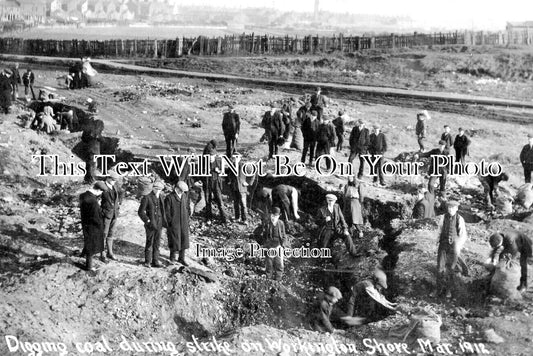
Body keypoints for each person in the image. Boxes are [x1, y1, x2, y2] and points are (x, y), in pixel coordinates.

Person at [433, 201, 467, 298]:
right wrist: (437, 240)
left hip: (454, 246)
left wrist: (458, 247)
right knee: (440, 266)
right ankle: (438, 289)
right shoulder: (443, 217)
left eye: (453, 208)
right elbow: (439, 230)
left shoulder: (460, 219)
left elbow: (462, 235)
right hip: (443, 245)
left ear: (456, 209)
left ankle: (448, 290)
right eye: (449, 208)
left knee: (451, 268)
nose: (450, 210)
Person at [138, 181, 166, 268]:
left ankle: (155, 261)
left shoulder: (161, 197)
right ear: (153, 188)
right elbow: (141, 212)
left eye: (160, 190)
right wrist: (147, 221)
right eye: (157, 189)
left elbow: (162, 210)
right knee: (150, 242)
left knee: (157, 243)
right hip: (150, 224)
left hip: (159, 223)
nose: (158, 191)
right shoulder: (147, 198)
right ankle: (147, 261)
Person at [79, 182, 106, 271]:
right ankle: (89, 266)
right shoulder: (93, 202)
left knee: (88, 242)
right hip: (93, 226)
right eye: (101, 192)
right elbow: (95, 216)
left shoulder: (83, 195)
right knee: (92, 245)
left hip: (85, 223)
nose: (101, 194)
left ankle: (85, 257)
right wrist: (100, 224)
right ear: (98, 190)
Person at [165, 181, 191, 266]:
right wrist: (170, 222)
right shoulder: (169, 197)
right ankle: (172, 258)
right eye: (181, 190)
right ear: (176, 188)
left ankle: (181, 258)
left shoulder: (184, 196)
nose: (182, 192)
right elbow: (167, 212)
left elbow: (187, 208)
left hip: (183, 222)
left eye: (183, 191)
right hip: (174, 223)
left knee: (183, 240)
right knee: (174, 240)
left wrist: (187, 219)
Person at [101, 171, 122, 262]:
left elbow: (120, 194)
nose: (114, 181)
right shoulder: (101, 187)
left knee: (111, 234)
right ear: (108, 178)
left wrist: (118, 205)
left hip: (114, 214)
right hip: (106, 215)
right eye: (113, 180)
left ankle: (110, 252)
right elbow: (96, 200)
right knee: (103, 234)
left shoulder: (115, 186)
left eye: (115, 180)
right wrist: (101, 211)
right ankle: (102, 254)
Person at [262, 207, 287, 281]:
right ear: (270, 215)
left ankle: (278, 280)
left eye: (276, 216)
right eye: (272, 215)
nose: (274, 217)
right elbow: (262, 235)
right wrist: (264, 244)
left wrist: (283, 245)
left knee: (279, 264)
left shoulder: (281, 223)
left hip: (278, 245)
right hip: (269, 246)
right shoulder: (267, 223)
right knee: (269, 264)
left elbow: (284, 235)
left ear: (279, 216)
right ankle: (268, 279)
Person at [205, 154, 228, 223]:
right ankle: (209, 218)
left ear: (214, 157)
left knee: (219, 200)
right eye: (209, 157)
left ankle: (224, 218)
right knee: (207, 201)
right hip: (207, 184)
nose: (210, 159)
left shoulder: (218, 162)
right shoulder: (205, 164)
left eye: (211, 157)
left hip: (216, 184)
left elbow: (223, 172)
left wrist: (218, 171)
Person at [82, 120, 103, 184]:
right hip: (94, 152)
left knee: (88, 165)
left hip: (88, 150)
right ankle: (90, 181)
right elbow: (102, 140)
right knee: (93, 166)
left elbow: (83, 139)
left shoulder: (89, 132)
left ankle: (87, 179)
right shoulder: (98, 134)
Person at [229, 153, 249, 224]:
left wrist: (248, 182)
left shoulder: (243, 165)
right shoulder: (232, 166)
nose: (235, 159)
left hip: (242, 188)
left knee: (243, 204)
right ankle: (237, 217)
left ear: (240, 158)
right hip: (235, 188)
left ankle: (245, 219)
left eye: (237, 157)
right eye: (234, 157)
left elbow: (252, 174)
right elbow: (229, 175)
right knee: (236, 203)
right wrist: (229, 181)